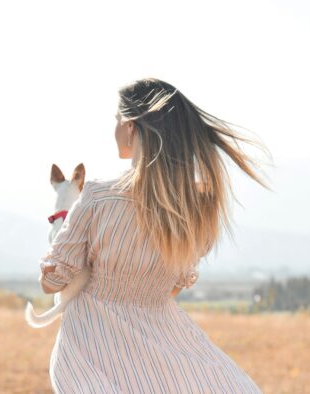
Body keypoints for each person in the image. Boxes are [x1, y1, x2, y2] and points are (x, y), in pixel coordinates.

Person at [39, 77, 274, 393]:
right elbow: (174, 286)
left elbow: (52, 282)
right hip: (167, 344)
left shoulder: (97, 196)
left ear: (132, 128)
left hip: (90, 349)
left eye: (117, 120)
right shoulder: (196, 205)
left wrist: (61, 251)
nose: (114, 128)